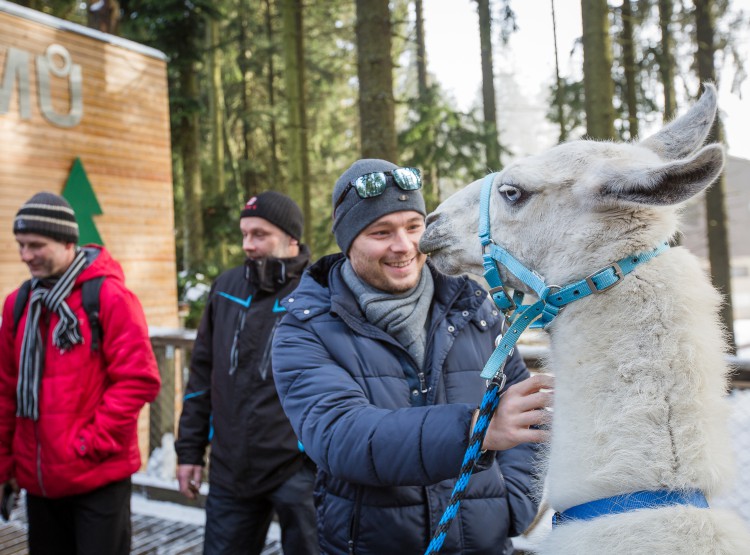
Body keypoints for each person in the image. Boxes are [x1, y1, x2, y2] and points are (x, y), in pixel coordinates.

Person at [272, 159, 554, 554]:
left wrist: (516, 503)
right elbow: (340, 435)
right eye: (380, 232)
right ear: (348, 240)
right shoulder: (306, 328)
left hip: (483, 542)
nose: (403, 246)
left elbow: (526, 406)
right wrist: (476, 430)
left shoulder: (474, 309)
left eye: (413, 227)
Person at [0, 192, 161, 555]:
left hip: (97, 477)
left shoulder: (110, 298)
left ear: (67, 241)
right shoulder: (19, 305)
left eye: (36, 245)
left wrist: (90, 443)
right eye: (21, 245)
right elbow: (5, 391)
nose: (26, 255)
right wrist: (5, 465)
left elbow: (139, 380)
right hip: (39, 482)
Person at [175, 191, 318, 555]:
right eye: (244, 234)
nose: (248, 245)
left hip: (299, 469)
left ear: (291, 238)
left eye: (259, 235)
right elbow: (201, 376)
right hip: (231, 467)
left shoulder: (319, 291)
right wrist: (190, 452)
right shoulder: (226, 288)